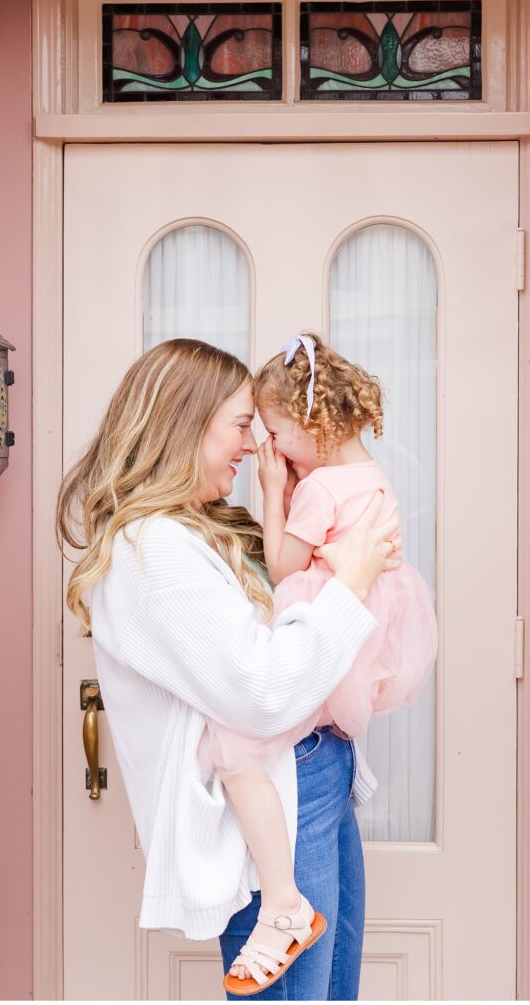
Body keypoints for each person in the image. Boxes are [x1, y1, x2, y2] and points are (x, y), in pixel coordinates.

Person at [55, 338, 402, 1001]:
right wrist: (349, 583)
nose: (253, 448)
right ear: (186, 425)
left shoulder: (190, 527)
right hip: (276, 804)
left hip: (313, 776)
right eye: (242, 426)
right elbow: (262, 692)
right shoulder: (151, 552)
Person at [200, 333, 438, 995]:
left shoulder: (316, 490)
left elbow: (282, 569)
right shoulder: (372, 474)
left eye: (273, 433)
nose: (267, 450)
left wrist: (275, 492)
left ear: (308, 424)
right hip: (369, 628)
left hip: (320, 620)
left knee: (242, 742)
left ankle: (280, 900)